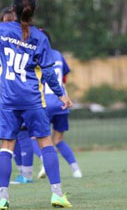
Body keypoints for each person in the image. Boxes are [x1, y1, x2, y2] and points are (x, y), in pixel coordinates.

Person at [0, 0, 73, 209]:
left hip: (8, 100)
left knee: (6, 147)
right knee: (45, 142)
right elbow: (49, 74)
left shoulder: (1, 29)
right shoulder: (40, 37)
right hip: (32, 99)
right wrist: (62, 95)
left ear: (13, 9)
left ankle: (3, 198)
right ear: (33, 12)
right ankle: (57, 194)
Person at [0, 8, 34, 185]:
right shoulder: (3, 45)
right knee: (12, 137)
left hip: (22, 95)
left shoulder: (26, 41)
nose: (7, 26)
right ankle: (23, 173)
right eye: (4, 22)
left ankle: (27, 174)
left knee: (23, 135)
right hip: (9, 96)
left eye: (10, 22)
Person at [35, 29, 82, 179]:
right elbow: (63, 77)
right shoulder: (58, 55)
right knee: (58, 140)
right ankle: (76, 170)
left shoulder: (34, 54)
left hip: (44, 103)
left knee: (34, 138)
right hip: (62, 102)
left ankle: (44, 163)